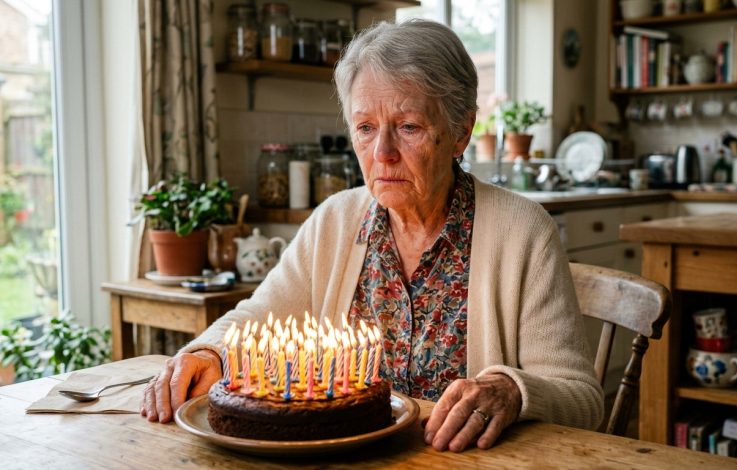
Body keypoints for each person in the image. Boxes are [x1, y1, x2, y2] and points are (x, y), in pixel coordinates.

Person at [141, 19, 603, 452]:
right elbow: (256, 317)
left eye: (408, 127)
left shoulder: (523, 231)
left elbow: (582, 398)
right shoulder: (335, 220)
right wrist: (210, 353)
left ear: (461, 132)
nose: (382, 153)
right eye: (365, 128)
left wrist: (511, 390)